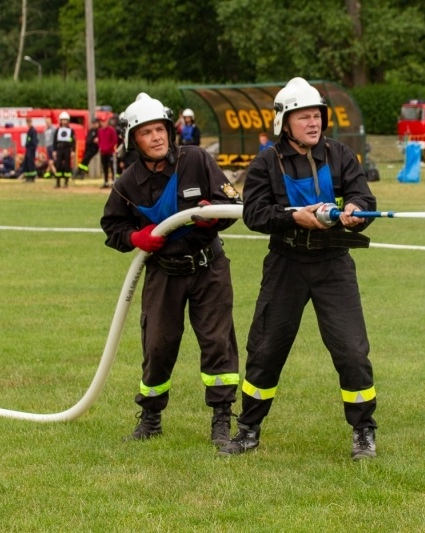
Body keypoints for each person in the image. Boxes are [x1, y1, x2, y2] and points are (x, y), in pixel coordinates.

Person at [218, 77, 378, 461]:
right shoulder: (265, 162)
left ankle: (363, 431)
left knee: (352, 352)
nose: (313, 122)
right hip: (285, 265)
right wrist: (294, 218)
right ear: (284, 122)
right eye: (303, 116)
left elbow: (363, 196)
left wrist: (356, 211)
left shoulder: (340, 154)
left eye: (317, 115)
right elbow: (255, 214)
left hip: (333, 264)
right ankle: (248, 430)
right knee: (265, 350)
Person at [100, 93, 243, 446]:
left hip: (208, 268)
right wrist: (136, 237)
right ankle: (151, 419)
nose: (156, 137)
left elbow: (232, 204)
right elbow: (112, 226)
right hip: (163, 272)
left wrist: (212, 217)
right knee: (157, 345)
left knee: (217, 342)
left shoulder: (196, 160)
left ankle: (221, 420)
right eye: (146, 132)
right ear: (133, 140)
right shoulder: (127, 183)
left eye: (160, 129)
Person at [52, 111, 76, 188]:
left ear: (68, 121)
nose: (64, 122)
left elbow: (73, 141)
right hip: (59, 149)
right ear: (60, 121)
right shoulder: (58, 130)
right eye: (63, 120)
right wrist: (54, 150)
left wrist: (73, 150)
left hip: (67, 149)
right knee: (58, 165)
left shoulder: (71, 131)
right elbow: (55, 141)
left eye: (65, 120)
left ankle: (66, 182)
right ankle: (58, 182)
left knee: (67, 166)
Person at [97, 116, 118, 188]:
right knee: (104, 167)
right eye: (102, 122)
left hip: (110, 152)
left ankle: (113, 182)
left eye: (104, 121)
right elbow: (99, 140)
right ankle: (105, 182)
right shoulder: (99, 130)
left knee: (112, 167)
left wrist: (109, 147)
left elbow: (114, 140)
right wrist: (101, 147)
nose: (103, 123)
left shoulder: (111, 130)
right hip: (103, 152)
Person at [22, 118, 39, 182]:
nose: (28, 124)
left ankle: (32, 177)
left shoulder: (33, 131)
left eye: (29, 122)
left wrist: (32, 149)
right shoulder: (29, 131)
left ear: (31, 122)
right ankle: (28, 177)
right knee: (26, 163)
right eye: (27, 122)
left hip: (31, 150)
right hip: (28, 149)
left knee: (31, 163)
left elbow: (34, 141)